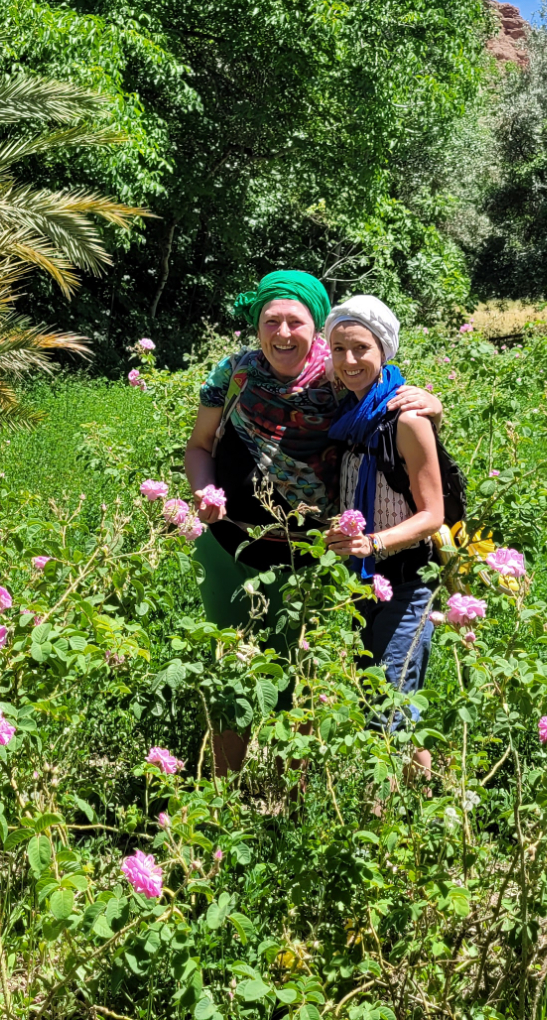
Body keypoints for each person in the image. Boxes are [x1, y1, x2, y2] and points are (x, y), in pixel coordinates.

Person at [184, 270, 440, 774]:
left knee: (301, 680)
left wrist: (433, 405)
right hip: (228, 550)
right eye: (270, 320)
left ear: (317, 325)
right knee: (230, 673)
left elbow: (391, 403)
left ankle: (290, 803)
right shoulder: (233, 373)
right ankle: (219, 795)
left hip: (310, 562)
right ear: (256, 326)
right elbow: (198, 447)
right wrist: (201, 492)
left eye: (295, 321)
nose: (282, 332)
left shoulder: (339, 378)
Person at [319, 296, 442, 771]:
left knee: (390, 699)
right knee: (382, 693)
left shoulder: (406, 418)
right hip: (361, 578)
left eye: (361, 349)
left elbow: (433, 514)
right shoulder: (350, 415)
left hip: (407, 578)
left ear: (384, 350)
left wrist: (373, 543)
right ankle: (428, 797)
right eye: (338, 349)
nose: (349, 361)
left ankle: (386, 820)